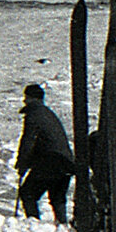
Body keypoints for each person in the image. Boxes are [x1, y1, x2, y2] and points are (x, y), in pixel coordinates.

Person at [14, 84, 73, 223]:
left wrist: (22, 164)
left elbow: (28, 141)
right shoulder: (47, 113)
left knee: (27, 193)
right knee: (57, 197)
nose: (24, 101)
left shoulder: (34, 114)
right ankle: (63, 227)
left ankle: (35, 225)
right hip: (65, 162)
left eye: (26, 97)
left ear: (29, 98)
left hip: (50, 162)